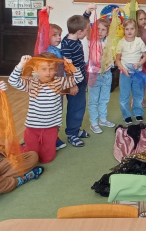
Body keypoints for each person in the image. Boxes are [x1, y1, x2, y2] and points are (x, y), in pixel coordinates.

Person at [9, 53, 83, 163]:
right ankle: (16, 148)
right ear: (36, 70)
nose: (48, 73)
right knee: (31, 157)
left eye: (51, 69)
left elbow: (79, 78)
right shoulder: (32, 83)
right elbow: (12, 81)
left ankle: (41, 147)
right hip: (33, 128)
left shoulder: (59, 82)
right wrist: (21, 65)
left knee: (47, 159)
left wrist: (71, 66)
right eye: (43, 69)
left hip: (51, 127)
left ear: (56, 69)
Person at [61, 8, 92, 147]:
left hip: (80, 77)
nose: (87, 33)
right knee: (75, 107)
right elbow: (67, 68)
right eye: (86, 31)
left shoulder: (73, 36)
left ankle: (76, 129)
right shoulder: (67, 45)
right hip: (73, 80)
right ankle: (71, 134)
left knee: (80, 105)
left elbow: (81, 22)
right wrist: (72, 84)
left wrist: (87, 12)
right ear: (79, 32)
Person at [115, 18, 146, 125]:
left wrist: (139, 63)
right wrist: (123, 69)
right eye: (127, 29)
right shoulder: (121, 43)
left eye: (132, 29)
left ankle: (138, 112)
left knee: (138, 94)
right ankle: (126, 115)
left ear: (135, 29)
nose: (129, 31)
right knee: (124, 96)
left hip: (137, 73)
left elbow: (145, 56)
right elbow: (117, 60)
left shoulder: (139, 41)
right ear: (124, 30)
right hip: (125, 74)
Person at [88, 18, 116, 134]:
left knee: (104, 99)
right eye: (98, 29)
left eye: (103, 30)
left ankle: (103, 119)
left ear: (107, 32)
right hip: (94, 75)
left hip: (107, 74)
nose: (100, 31)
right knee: (94, 100)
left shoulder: (108, 42)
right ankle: (94, 122)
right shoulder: (91, 41)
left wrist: (115, 16)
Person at [42, 21, 67, 150]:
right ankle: (48, 138)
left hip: (58, 87)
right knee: (50, 113)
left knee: (57, 112)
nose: (58, 38)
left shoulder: (57, 50)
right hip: (50, 90)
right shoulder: (46, 52)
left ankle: (54, 136)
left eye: (59, 35)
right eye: (54, 35)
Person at [137, 9, 146, 108]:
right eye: (141, 19)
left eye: (145, 19)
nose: (143, 21)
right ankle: (136, 98)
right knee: (136, 82)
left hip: (145, 60)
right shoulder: (133, 32)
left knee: (143, 81)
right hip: (135, 61)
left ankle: (141, 98)